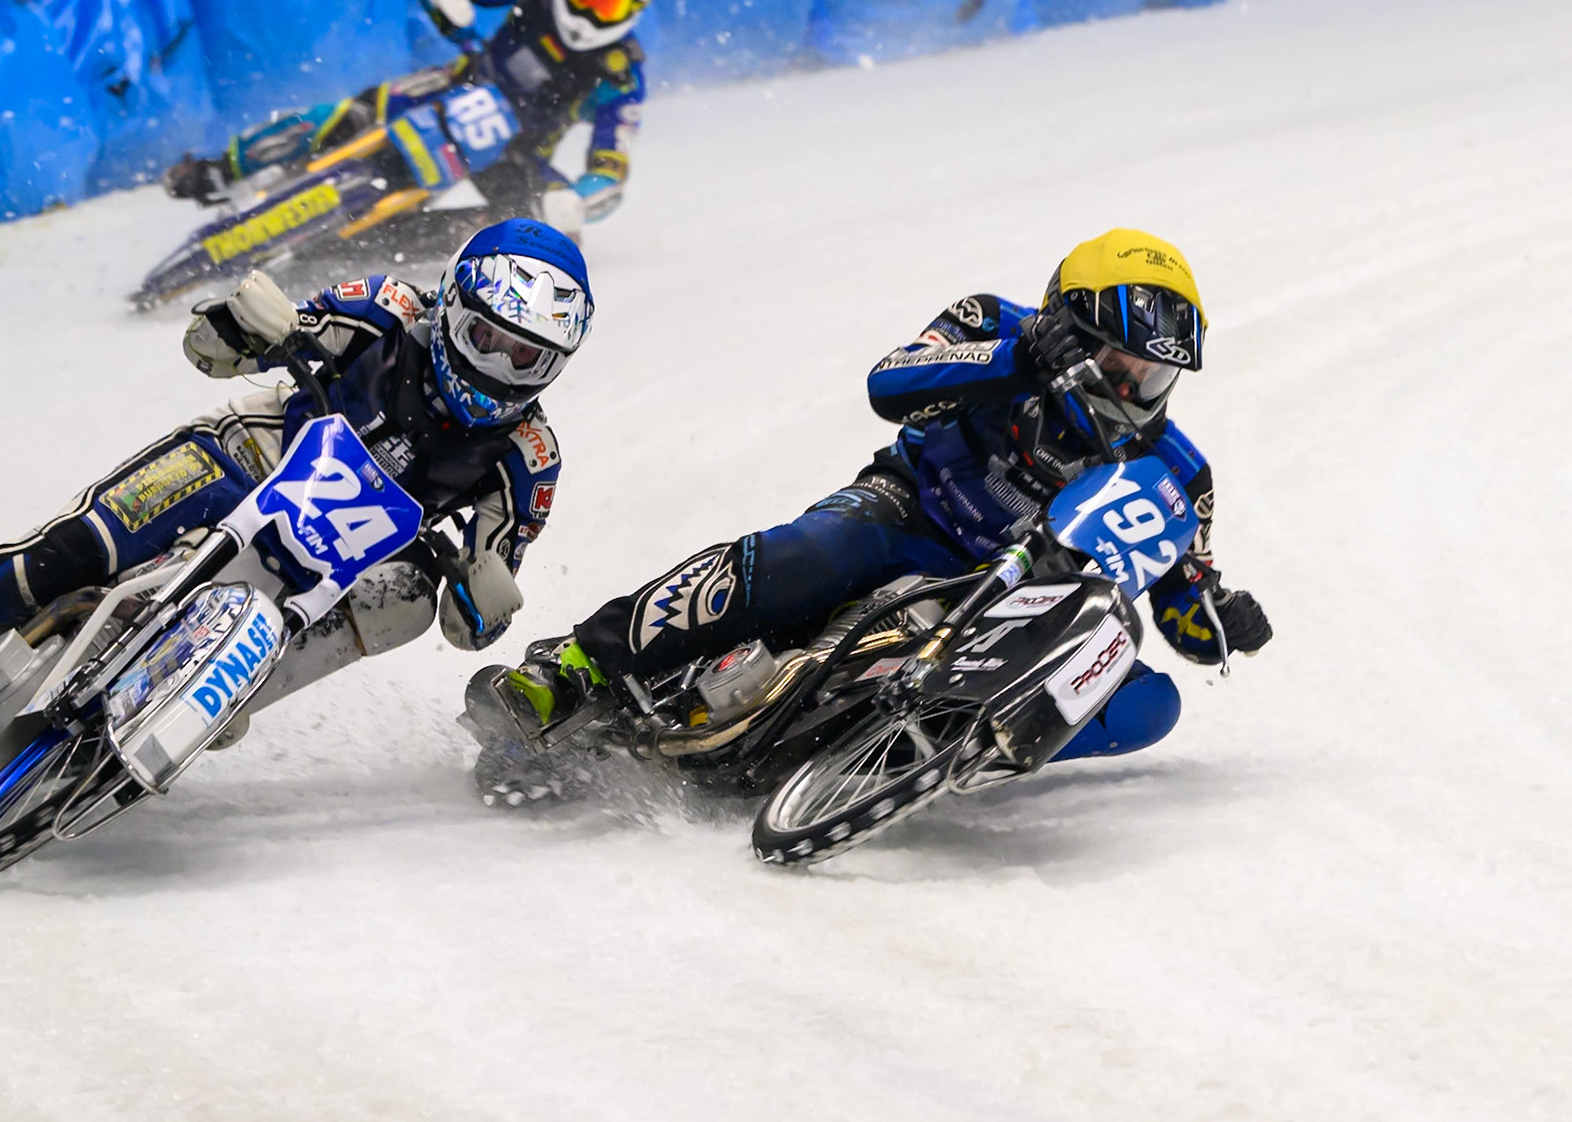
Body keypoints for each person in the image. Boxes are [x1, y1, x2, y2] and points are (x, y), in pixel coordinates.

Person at [0, 219, 594, 761]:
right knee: (69, 549)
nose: (498, 367)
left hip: (339, 567)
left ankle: (222, 696)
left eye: (527, 357)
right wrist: (246, 325)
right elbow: (214, 348)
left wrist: (483, 598)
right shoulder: (384, 309)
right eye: (489, 335)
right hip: (256, 451)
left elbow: (473, 611)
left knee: (410, 604)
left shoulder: (530, 455)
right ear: (454, 300)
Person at [498, 229, 1272, 764]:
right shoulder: (991, 322)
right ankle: (579, 663)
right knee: (822, 549)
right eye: (1119, 361)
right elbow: (890, 382)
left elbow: (1179, 600)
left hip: (1011, 604)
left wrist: (1220, 620)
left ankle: (921, 753)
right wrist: (1018, 360)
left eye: (1155, 375)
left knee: (1150, 704)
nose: (1134, 387)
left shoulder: (1177, 471)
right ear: (1064, 321)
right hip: (907, 510)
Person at [164, 0, 660, 239]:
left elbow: (611, 166)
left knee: (535, 236)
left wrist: (581, 200)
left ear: (631, 14)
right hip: (458, 83)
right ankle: (219, 169)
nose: (585, 8)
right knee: (343, 115)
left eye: (606, 3)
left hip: (517, 151)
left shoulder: (620, 74)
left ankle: (377, 253)